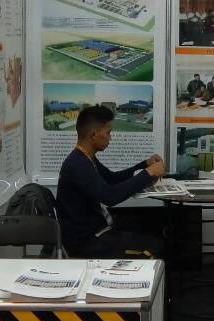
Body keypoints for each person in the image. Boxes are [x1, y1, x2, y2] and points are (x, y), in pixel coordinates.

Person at [57, 105, 166, 258]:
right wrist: (149, 173)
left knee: (154, 226)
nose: (110, 137)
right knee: (156, 246)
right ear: (93, 135)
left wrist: (144, 165)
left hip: (98, 231)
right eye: (108, 132)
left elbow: (112, 179)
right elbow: (110, 197)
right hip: (88, 243)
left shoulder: (86, 158)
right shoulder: (78, 164)